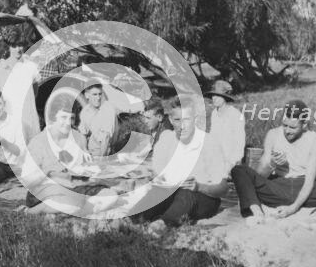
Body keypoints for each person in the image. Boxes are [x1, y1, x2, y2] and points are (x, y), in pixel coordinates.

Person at [231, 100, 316, 224]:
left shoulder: (314, 139)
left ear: (304, 124)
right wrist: (271, 164)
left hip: (305, 189)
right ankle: (256, 213)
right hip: (277, 187)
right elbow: (259, 176)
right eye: (285, 125)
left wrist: (292, 208)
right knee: (239, 170)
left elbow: (309, 181)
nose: (287, 131)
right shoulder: (273, 134)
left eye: (293, 127)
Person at [131, 95, 230, 226]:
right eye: (177, 120)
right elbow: (157, 174)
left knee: (186, 194)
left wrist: (199, 186)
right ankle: (131, 220)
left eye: (187, 119)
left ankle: (163, 225)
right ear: (171, 120)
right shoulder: (166, 139)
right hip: (172, 193)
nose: (182, 125)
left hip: (203, 197)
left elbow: (223, 188)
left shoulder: (209, 142)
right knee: (159, 192)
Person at [21, 94, 119, 215]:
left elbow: (87, 167)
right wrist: (47, 172)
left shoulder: (78, 138)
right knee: (69, 204)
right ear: (52, 118)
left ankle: (77, 209)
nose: (68, 123)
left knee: (111, 196)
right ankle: (31, 211)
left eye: (71, 118)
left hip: (74, 188)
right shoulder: (38, 143)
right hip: (46, 191)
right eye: (63, 117)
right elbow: (29, 181)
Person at [0, 28, 41, 143]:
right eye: (14, 46)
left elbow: (35, 89)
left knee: (31, 145)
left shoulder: (30, 66)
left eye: (20, 45)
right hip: (10, 114)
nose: (18, 49)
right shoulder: (1, 68)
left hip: (28, 113)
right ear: (8, 47)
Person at [206, 80, 245, 172]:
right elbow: (212, 138)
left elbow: (239, 144)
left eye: (218, 96)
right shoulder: (214, 113)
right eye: (213, 95)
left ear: (225, 98)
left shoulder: (236, 115)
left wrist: (232, 162)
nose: (214, 98)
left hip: (230, 159)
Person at [78, 82, 120, 157]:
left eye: (100, 94)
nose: (98, 98)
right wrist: (85, 150)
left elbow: (106, 140)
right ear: (87, 95)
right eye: (94, 94)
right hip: (93, 148)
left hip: (107, 151)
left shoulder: (107, 109)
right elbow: (82, 132)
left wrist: (100, 162)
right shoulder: (85, 111)